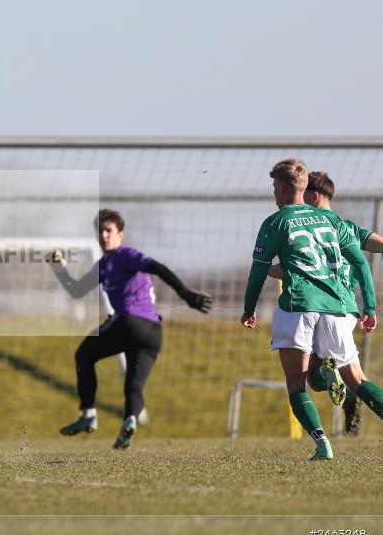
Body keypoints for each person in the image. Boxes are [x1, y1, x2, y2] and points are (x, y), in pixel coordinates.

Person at [241, 159, 378, 461]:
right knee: (357, 379)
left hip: (299, 305)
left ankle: (322, 444)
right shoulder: (331, 221)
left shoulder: (276, 222)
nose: (274, 194)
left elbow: (258, 271)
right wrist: (370, 306)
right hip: (337, 308)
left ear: (281, 189)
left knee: (295, 382)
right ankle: (328, 377)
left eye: (275, 188)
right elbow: (360, 262)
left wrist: (248, 309)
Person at [49, 209, 212, 449]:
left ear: (120, 235)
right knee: (134, 385)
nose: (104, 235)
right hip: (153, 333)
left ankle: (89, 416)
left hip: (130, 324)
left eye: (109, 230)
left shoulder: (124, 255)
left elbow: (158, 267)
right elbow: (77, 290)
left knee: (84, 354)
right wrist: (61, 271)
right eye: (101, 231)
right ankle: (130, 421)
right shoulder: (103, 265)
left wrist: (186, 294)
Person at [266, 171, 383, 433]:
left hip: (311, 306)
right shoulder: (348, 228)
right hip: (343, 309)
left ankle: (339, 385)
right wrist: (370, 306)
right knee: (351, 375)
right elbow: (377, 247)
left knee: (312, 379)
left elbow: (292, 269)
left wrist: (263, 267)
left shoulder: (304, 227)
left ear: (313, 196)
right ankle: (345, 387)